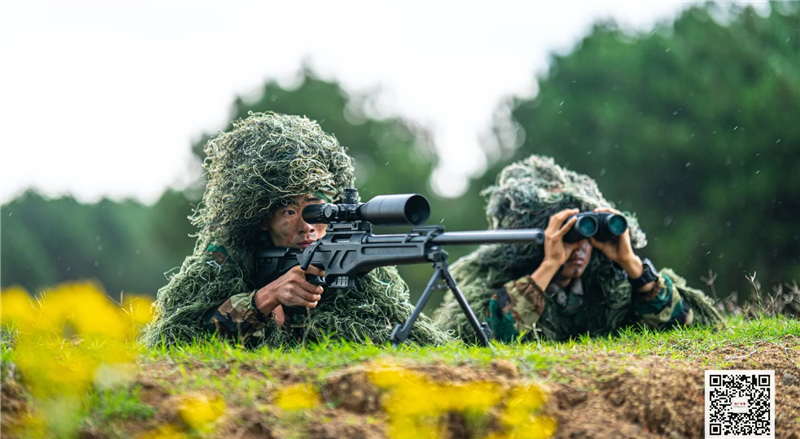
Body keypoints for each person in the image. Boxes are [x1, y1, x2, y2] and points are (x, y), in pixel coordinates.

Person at [143, 112, 448, 347]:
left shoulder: (364, 270)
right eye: (290, 211)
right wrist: (266, 298)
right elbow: (183, 341)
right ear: (263, 219)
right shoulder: (227, 260)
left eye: (316, 210)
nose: (307, 226)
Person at [434, 155, 723, 343]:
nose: (580, 247)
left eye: (587, 236)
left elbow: (680, 324)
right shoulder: (498, 284)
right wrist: (549, 264)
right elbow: (491, 335)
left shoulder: (609, 290)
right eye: (571, 235)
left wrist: (629, 261)